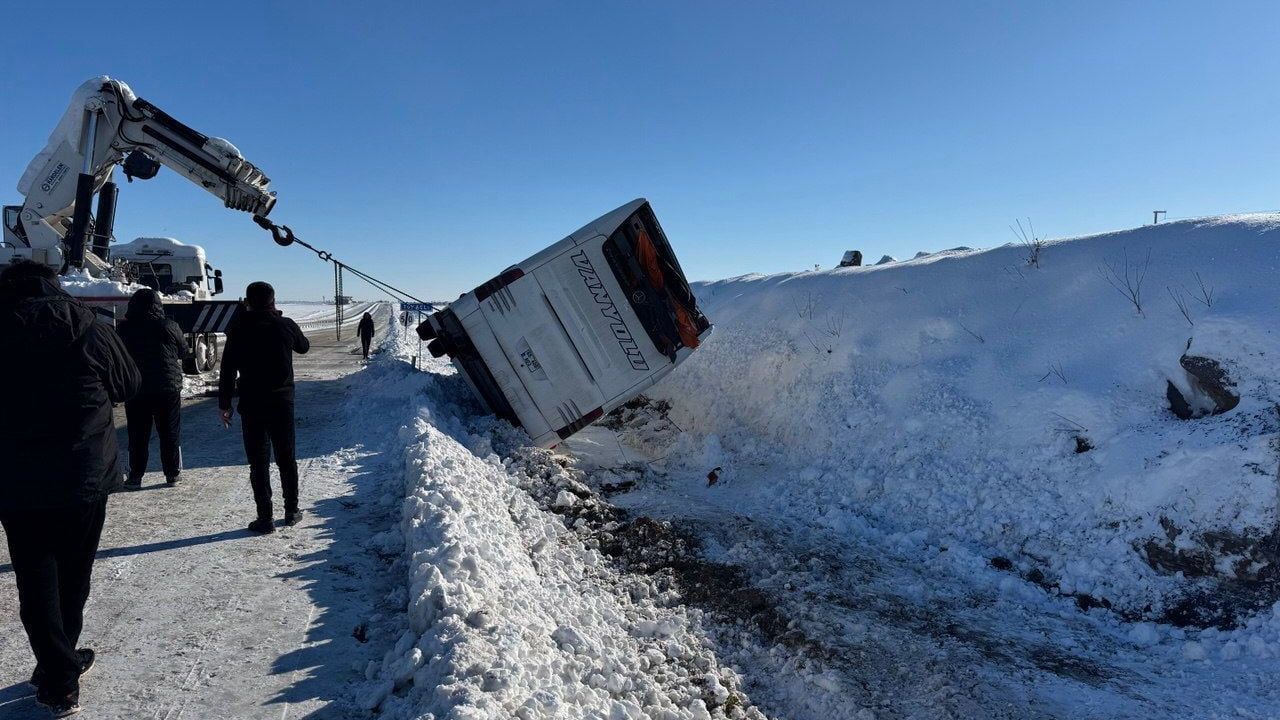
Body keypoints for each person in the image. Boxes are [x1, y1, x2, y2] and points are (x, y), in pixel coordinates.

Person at [0, 260, 140, 717]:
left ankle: (57, 668)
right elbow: (128, 382)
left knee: (35, 579)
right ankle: (61, 671)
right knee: (74, 574)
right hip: (84, 472)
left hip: (16, 478)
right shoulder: (84, 323)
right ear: (52, 283)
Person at [218, 281, 310, 534]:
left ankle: (265, 518)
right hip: (282, 402)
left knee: (258, 463)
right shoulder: (284, 325)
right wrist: (283, 323)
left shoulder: (237, 329)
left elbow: (227, 370)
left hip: (251, 403)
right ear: (273, 301)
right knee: (286, 458)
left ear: (247, 302)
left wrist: (225, 404)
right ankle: (291, 511)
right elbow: (304, 346)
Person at [116, 289, 190, 489]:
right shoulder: (169, 326)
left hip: (137, 389)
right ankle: (172, 474)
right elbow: (184, 351)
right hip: (167, 388)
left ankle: (135, 476)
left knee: (138, 435)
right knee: (169, 432)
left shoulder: (124, 328)